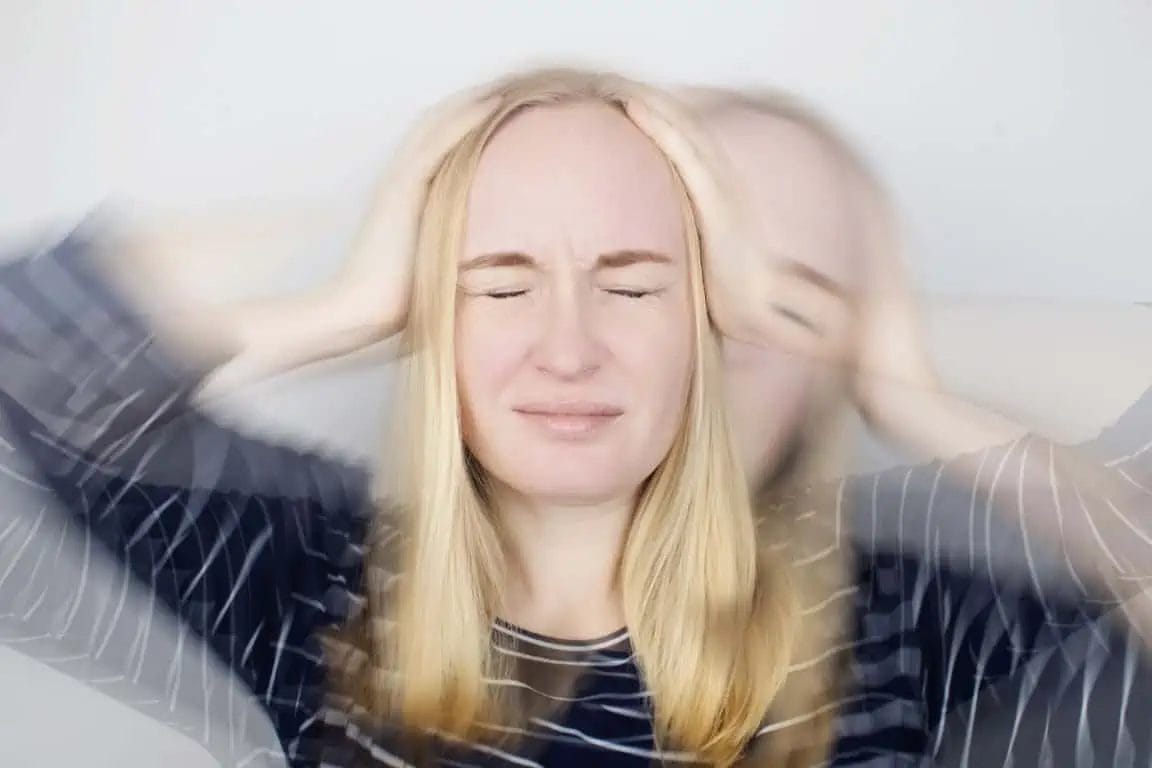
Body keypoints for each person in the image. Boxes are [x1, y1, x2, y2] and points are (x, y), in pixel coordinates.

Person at [0, 66, 1149, 767]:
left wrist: (915, 377)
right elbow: (31, 356)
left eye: (780, 296)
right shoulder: (321, 573)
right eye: (688, 269)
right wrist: (360, 279)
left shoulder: (918, 610)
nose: (722, 328)